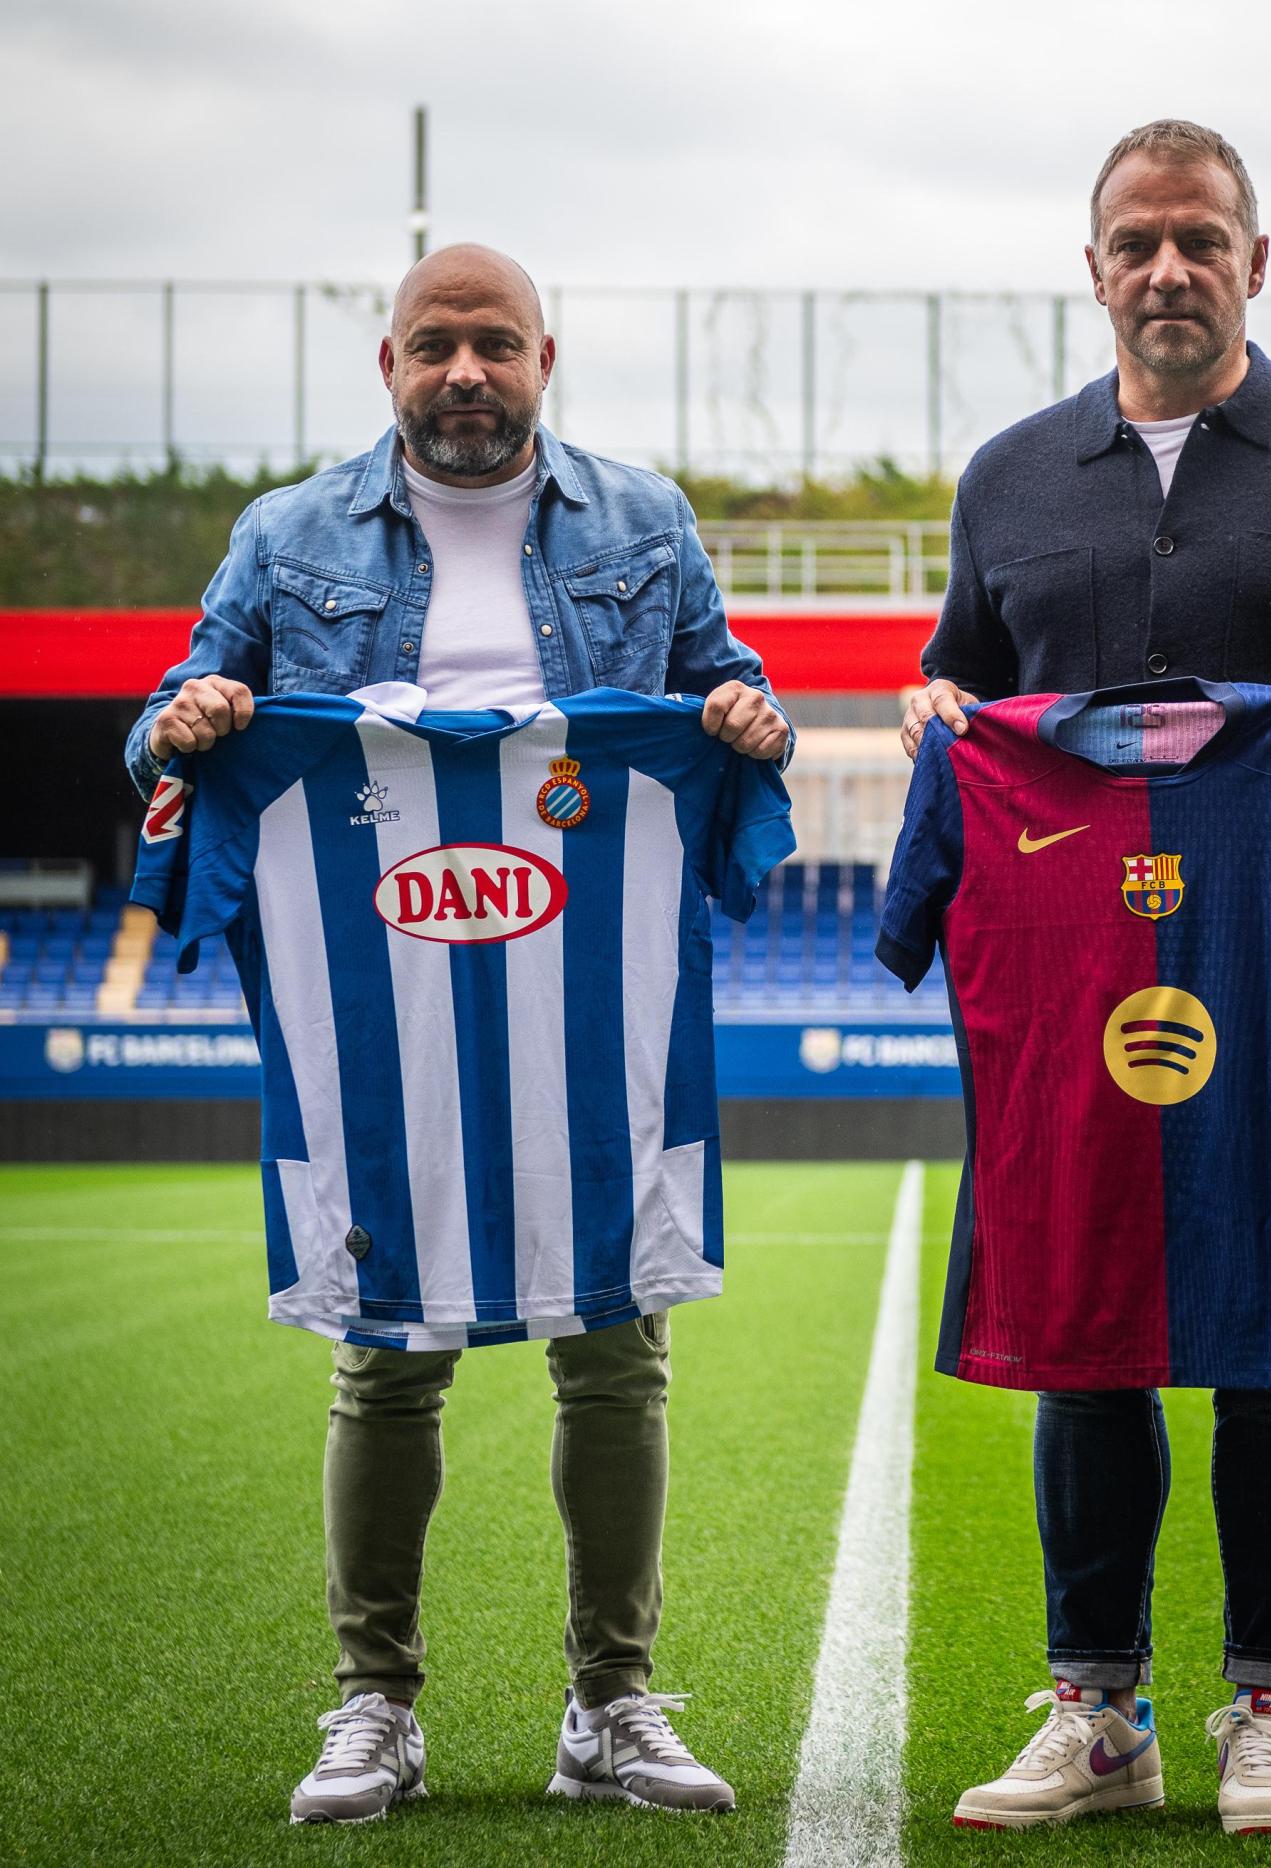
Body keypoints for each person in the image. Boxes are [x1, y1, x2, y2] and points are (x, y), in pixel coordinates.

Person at [125, 244, 790, 1825]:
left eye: (495, 344)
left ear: (543, 357)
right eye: (437, 347)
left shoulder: (644, 521)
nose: (466, 373)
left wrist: (747, 715)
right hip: (389, 1006)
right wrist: (191, 718)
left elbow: (721, 688)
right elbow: (169, 716)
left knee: (615, 1350)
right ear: (390, 365)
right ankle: (375, 1705)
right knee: (386, 1352)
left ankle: (612, 1704)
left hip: (583, 995)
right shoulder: (285, 536)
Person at [900, 120, 1271, 1837]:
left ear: (1254, 258)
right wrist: (934, 709)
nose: (1170, 269)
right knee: (1084, 1335)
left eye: (1201, 240)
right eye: (1137, 243)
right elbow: (962, 677)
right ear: (1092, 268)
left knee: (1268, 1338)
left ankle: (1264, 1711)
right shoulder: (1009, 477)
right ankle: (1097, 1712)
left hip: (1270, 963)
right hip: (1065, 972)